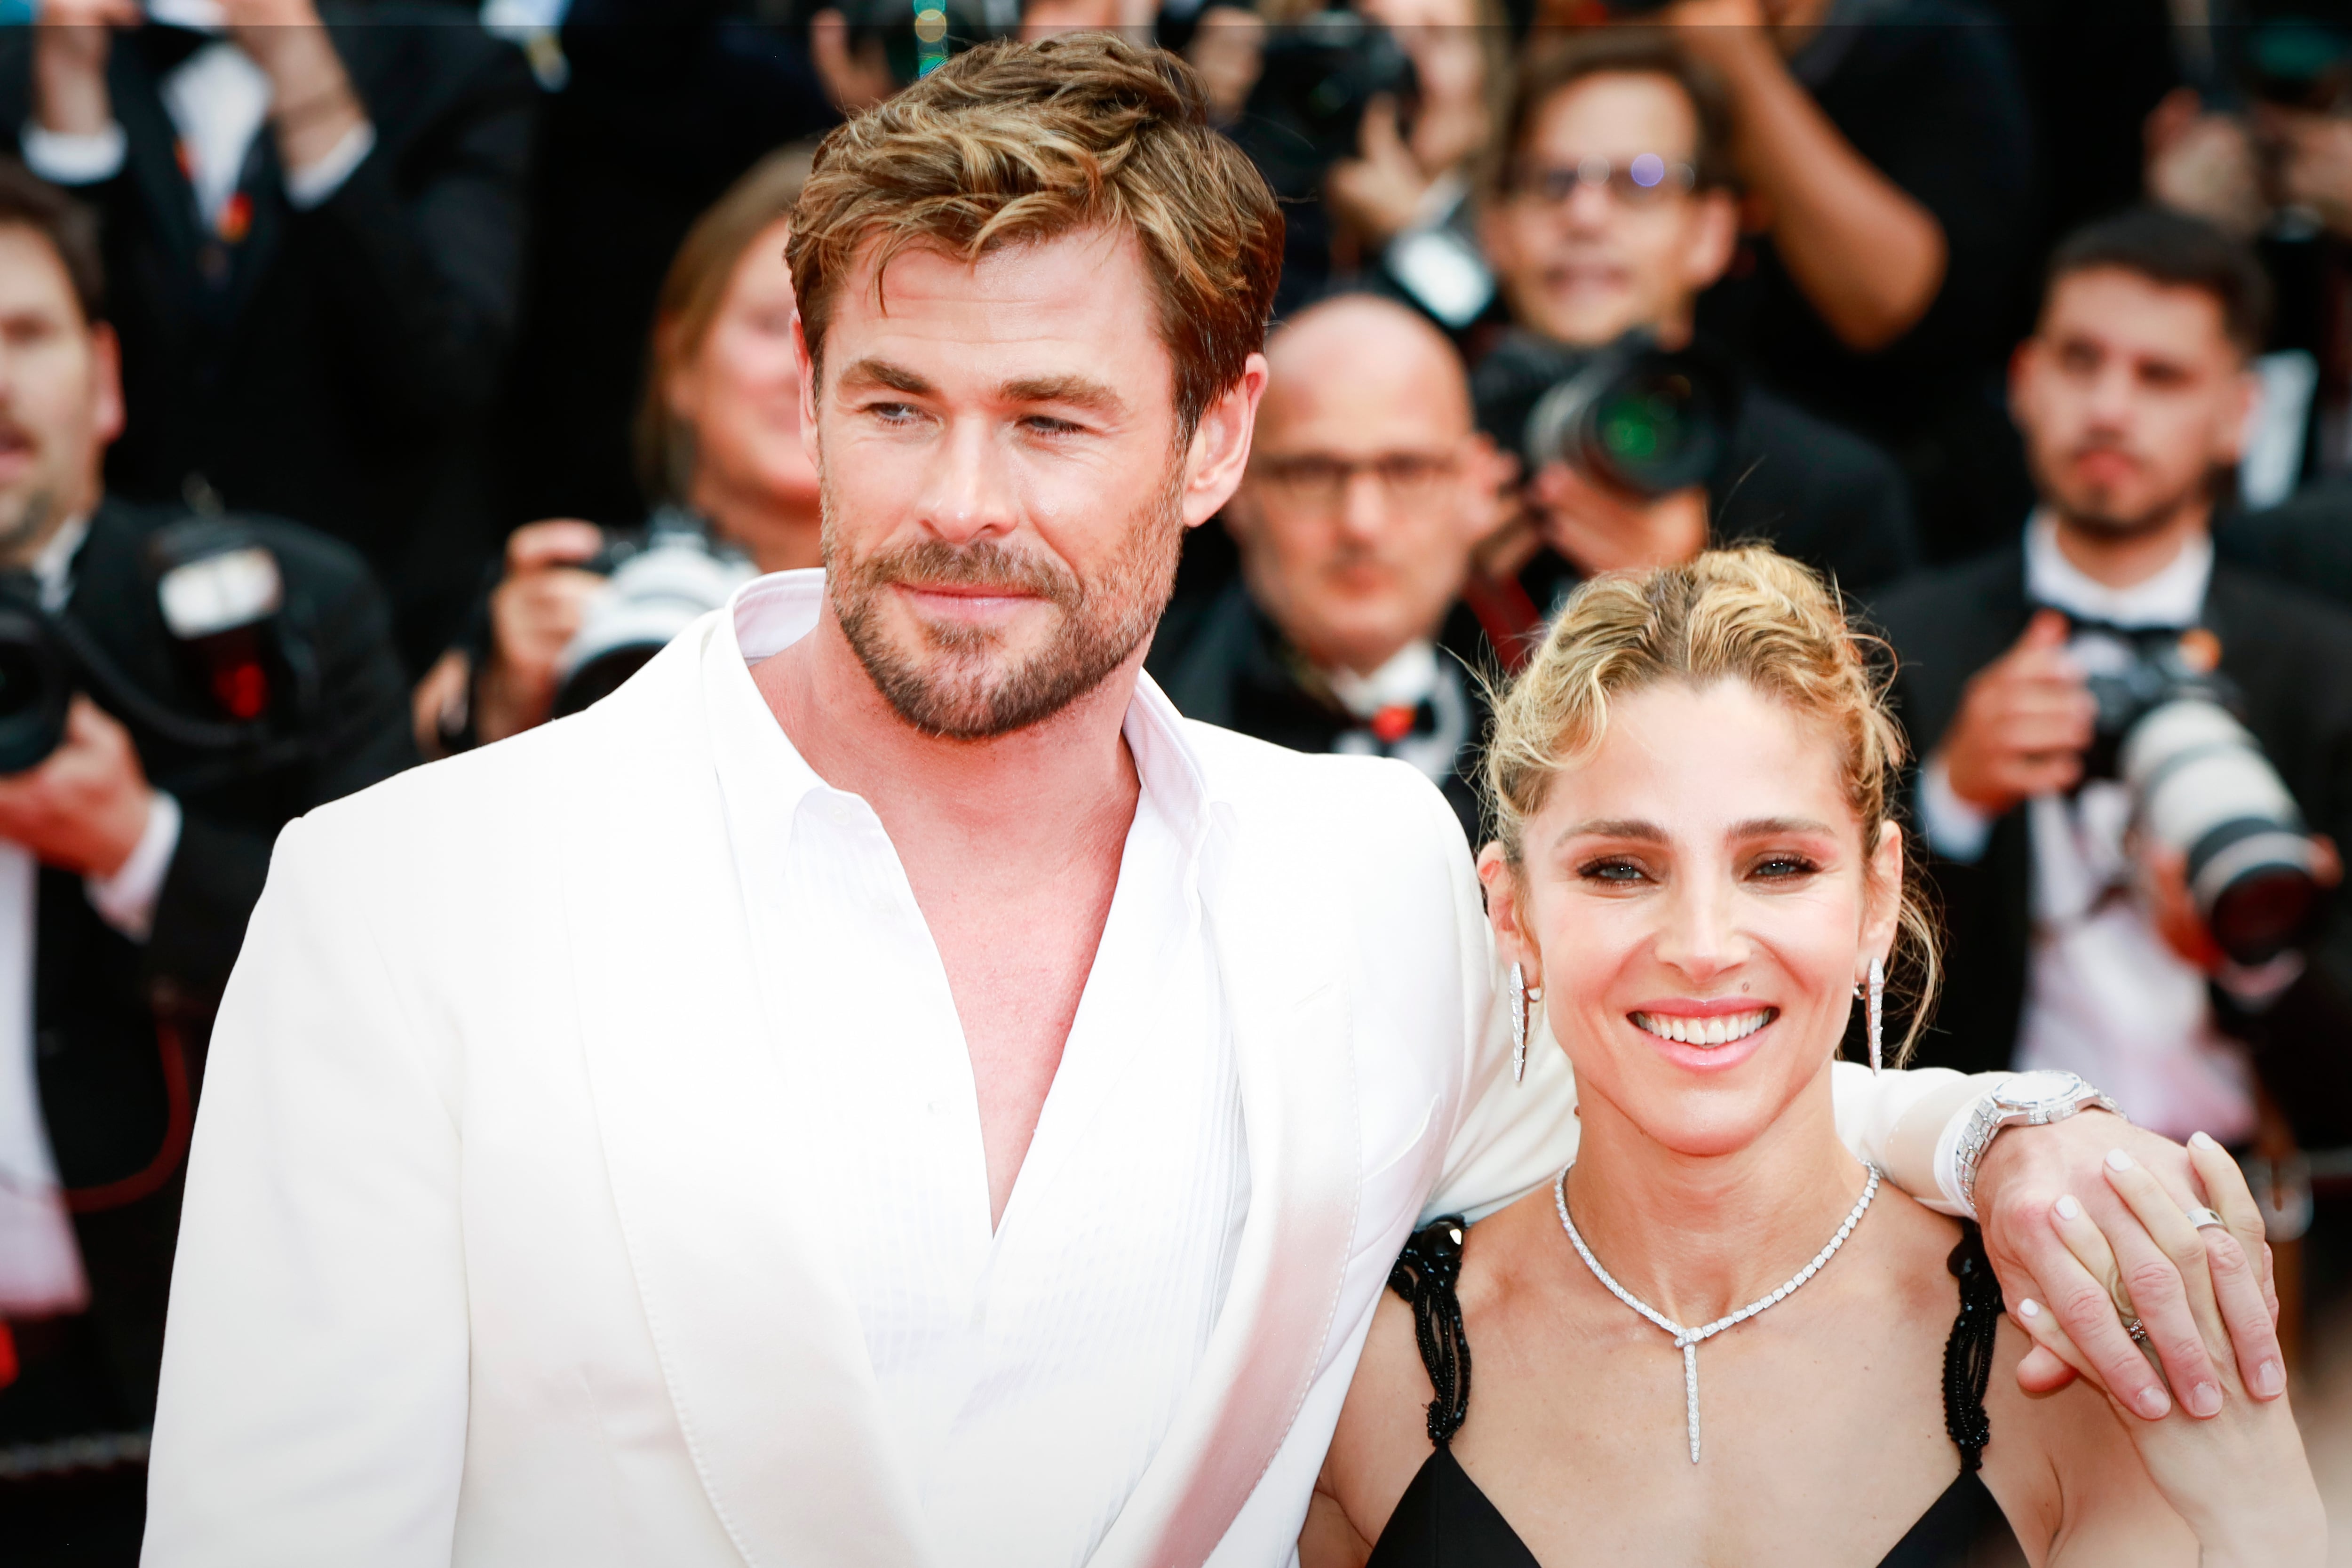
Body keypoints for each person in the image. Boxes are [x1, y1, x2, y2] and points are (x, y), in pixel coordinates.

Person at [143, 38, 2282, 1566]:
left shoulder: (1357, 875)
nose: (961, 508)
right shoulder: (407, 903)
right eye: (898, 408)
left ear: (1215, 437)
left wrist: (2010, 1134)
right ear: (805, 404)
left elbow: (1680, 1072)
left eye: (1054, 420)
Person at [1308, 547, 2322, 1566]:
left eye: (1777, 865)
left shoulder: (2056, 1357)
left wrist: (2256, 1499)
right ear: (1512, 910)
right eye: (1619, 868)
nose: (1702, 943)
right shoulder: (1365, 1374)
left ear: (1875, 896)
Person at [0, 160, 414, 1560]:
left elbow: (408, 999)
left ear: (107, 381)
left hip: (196, 1397)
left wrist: (139, 848)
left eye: (27, 335)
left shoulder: (284, 615)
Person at [1872, 208, 2352, 1151]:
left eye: (2160, 376)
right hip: (1965, 1203)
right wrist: (1952, 802)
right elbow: (1850, 1034)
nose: (2110, 408)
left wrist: (2258, 949)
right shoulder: (1895, 647)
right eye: (2080, 361)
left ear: (2236, 415)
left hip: (2260, 1199)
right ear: (2024, 380)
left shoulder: (2325, 671)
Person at [0, 0, 538, 667]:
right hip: (107, 636)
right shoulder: (33, 67)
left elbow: (446, 370)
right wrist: (71, 127)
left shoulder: (447, 63)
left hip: (385, 631)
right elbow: (63, 357)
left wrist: (307, 85)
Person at [1471, 32, 1918, 626]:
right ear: (1495, 227)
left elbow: (1869, 715)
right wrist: (1414, 585)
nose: (1583, 215)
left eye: (1641, 182)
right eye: (1550, 181)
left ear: (1711, 232)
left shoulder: (1829, 494)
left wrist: (1691, 596)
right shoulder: (1417, 453)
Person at [418, 145, 821, 755]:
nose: (801, 370)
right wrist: (502, 709)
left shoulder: (947, 611)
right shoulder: (578, 585)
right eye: (771, 325)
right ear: (680, 359)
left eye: (831, 334)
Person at [1660, 0, 2040, 562]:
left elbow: (1891, 306)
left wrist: (1738, 65)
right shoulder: (1639, 43)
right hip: (1668, 440)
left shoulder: (1928, 43)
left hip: (1896, 499)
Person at [1152, 294, 1515, 841]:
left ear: (1479, 486)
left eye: (1407, 470)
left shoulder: (1578, 722)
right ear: (1235, 486)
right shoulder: (1135, 728)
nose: (1361, 524)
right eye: (1312, 473)